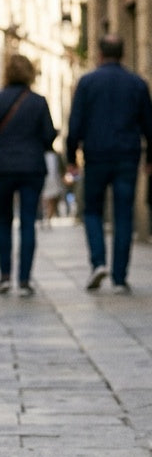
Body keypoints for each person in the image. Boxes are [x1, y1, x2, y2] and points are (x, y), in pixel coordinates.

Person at [66, 34, 152, 294]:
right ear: (123, 54)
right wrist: (150, 158)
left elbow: (75, 124)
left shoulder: (87, 83)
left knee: (92, 210)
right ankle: (120, 278)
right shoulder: (137, 83)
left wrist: (71, 158)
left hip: (96, 156)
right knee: (123, 214)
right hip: (127, 156)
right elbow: (149, 125)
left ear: (100, 54)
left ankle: (99, 262)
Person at [0, 54, 56, 297]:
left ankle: (5, 277)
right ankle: (25, 280)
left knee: (4, 221)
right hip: (31, 168)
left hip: (3, 168)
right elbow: (49, 136)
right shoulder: (38, 102)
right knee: (28, 222)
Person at [41, 148, 64, 227]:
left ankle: (47, 218)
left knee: (51, 199)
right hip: (47, 178)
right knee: (47, 199)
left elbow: (61, 168)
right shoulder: (54, 155)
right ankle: (46, 217)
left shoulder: (56, 155)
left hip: (53, 179)